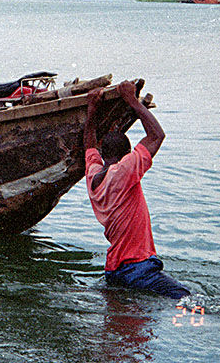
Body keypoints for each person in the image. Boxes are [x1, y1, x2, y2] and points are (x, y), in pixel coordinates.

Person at [83, 81, 190, 299]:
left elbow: (89, 145)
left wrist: (92, 109)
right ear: (128, 154)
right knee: (189, 299)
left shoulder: (93, 178)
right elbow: (156, 136)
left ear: (103, 153)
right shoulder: (124, 171)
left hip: (114, 271)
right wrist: (131, 100)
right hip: (137, 268)